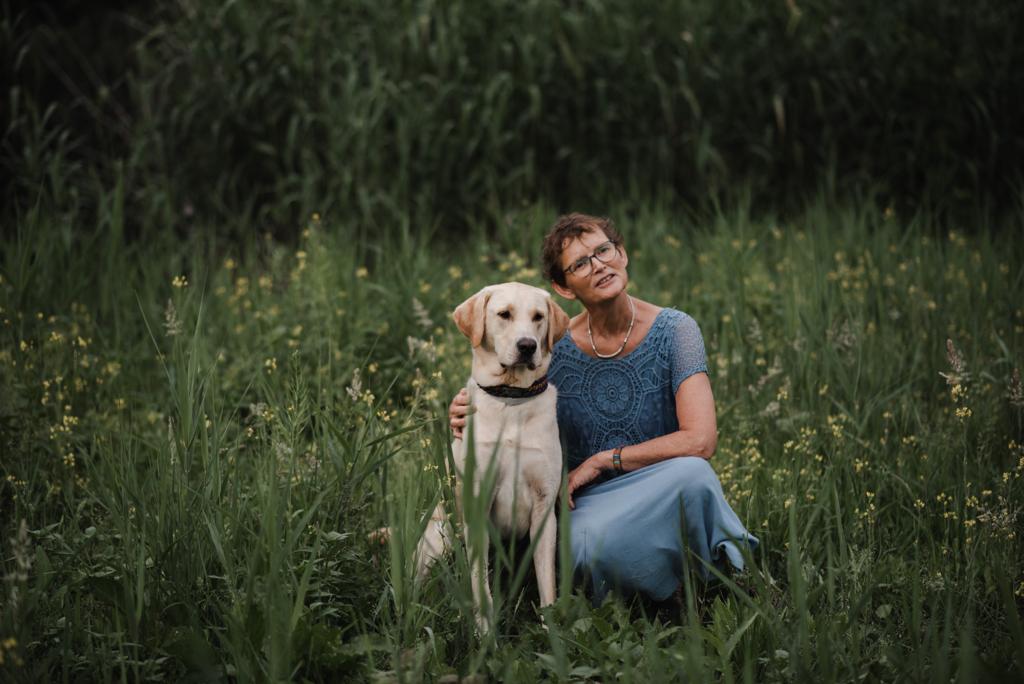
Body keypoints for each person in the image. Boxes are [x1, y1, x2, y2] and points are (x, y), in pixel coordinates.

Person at [449, 213, 758, 605]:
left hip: (659, 482)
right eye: (580, 263)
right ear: (563, 287)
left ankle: (730, 578)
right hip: (587, 503)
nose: (598, 265)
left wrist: (603, 460)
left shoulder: (676, 330)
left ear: (622, 254)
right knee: (586, 546)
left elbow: (701, 441)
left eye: (604, 251)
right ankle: (670, 590)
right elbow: (505, 390)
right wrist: (467, 404)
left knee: (695, 475)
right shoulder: (550, 345)